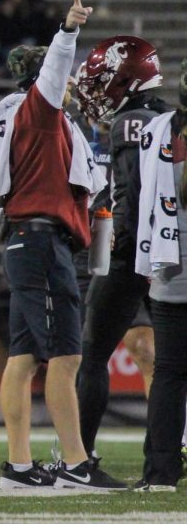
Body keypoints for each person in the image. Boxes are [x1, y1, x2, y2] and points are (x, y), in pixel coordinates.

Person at [0, 0, 124, 491]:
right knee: (66, 355)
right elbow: (54, 75)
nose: (68, 86)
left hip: (28, 239)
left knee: (23, 358)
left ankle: (20, 467)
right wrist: (67, 30)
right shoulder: (39, 112)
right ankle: (75, 464)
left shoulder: (16, 114)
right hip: (42, 241)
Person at [72, 36, 166, 471]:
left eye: (101, 80)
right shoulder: (166, 114)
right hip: (171, 251)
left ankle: (79, 456)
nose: (96, 90)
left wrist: (121, 252)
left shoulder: (129, 121)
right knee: (172, 363)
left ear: (124, 76)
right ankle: (166, 456)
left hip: (134, 253)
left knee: (90, 355)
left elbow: (130, 197)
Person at [133, 63, 187, 490]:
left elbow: (138, 193)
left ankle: (160, 474)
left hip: (169, 263)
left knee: (168, 373)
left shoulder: (159, 129)